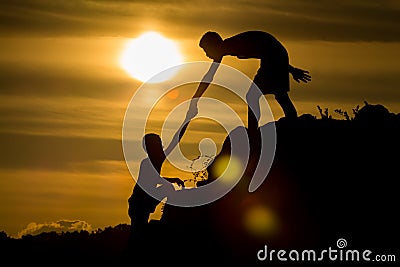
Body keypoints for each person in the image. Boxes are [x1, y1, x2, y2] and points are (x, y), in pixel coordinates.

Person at [190, 30, 311, 135]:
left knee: (254, 95)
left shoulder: (233, 45)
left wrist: (290, 69)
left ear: (214, 45)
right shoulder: (225, 48)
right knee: (278, 94)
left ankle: (253, 133)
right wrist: (196, 98)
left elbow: (270, 49)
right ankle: (289, 122)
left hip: (273, 55)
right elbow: (209, 76)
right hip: (275, 55)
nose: (206, 55)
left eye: (206, 50)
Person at [127, 105, 197, 247]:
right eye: (156, 144)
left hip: (146, 200)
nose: (160, 146)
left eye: (159, 143)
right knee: (138, 233)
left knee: (168, 188)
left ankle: (167, 217)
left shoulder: (159, 158)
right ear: (149, 148)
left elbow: (176, 139)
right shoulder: (146, 163)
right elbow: (153, 180)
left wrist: (188, 118)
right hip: (138, 203)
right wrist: (171, 179)